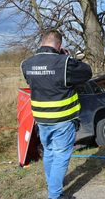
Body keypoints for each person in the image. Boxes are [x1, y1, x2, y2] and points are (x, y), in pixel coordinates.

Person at [21, 29, 92, 199]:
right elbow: (87, 72)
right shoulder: (64, 63)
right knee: (61, 156)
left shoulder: (26, 64)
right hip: (62, 120)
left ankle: (52, 184)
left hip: (41, 120)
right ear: (59, 45)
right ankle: (54, 195)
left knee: (50, 152)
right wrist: (69, 57)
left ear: (41, 42)